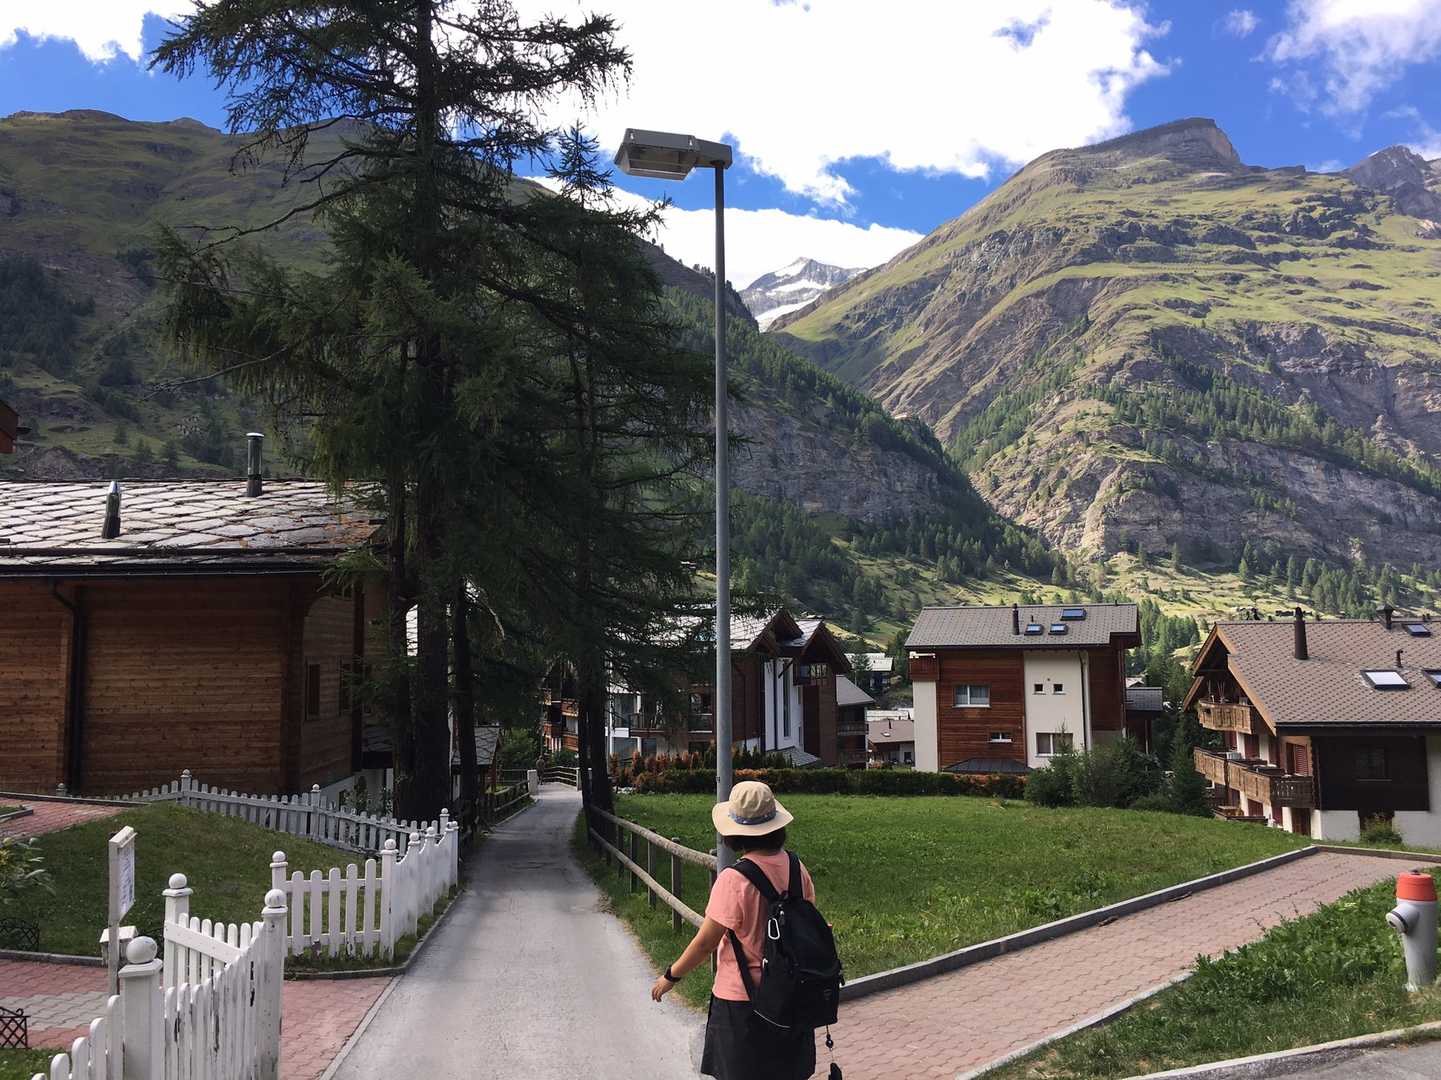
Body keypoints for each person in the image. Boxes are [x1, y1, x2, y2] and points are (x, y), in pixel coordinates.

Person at [649, 780, 818, 1079]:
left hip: (741, 1003)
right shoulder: (797, 868)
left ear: (735, 833)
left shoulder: (734, 880)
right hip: (790, 997)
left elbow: (706, 943)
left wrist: (670, 976)